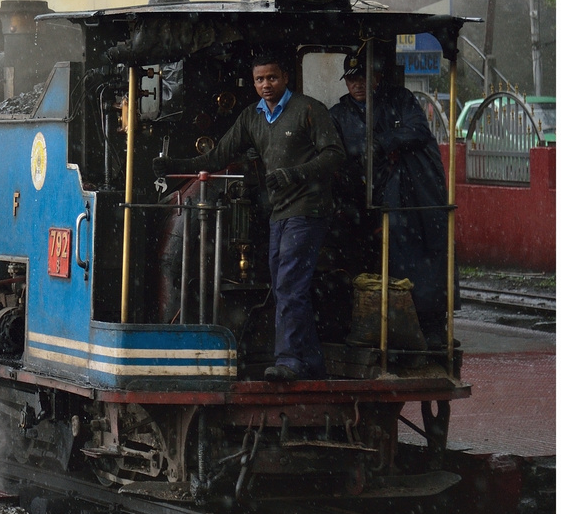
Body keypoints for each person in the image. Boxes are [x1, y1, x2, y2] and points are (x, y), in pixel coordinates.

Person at [154, 54, 344, 381]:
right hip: (280, 212)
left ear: (285, 77)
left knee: (289, 284)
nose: (265, 85)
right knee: (286, 284)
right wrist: (174, 165)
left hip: (309, 210)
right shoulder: (251, 117)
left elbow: (335, 156)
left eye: (271, 78)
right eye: (259, 80)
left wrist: (295, 175)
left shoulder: (309, 110)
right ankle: (311, 362)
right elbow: (218, 155)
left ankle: (288, 362)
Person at [328, 51, 450, 347]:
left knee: (414, 259)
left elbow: (418, 130)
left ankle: (425, 325)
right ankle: (360, 324)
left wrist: (383, 142)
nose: (358, 84)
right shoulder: (338, 114)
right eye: (352, 79)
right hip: (356, 199)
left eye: (364, 78)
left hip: (403, 198)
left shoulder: (399, 100)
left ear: (378, 78)